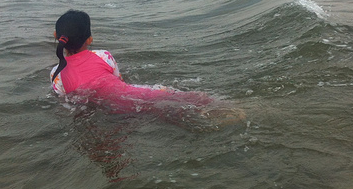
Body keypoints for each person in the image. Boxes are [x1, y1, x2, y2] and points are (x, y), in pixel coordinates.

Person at [50, 10, 245, 125]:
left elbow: (70, 102)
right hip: (133, 97)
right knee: (184, 100)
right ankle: (234, 110)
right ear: (90, 39)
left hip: (110, 112)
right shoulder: (103, 55)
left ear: (56, 36)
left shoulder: (55, 75)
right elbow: (119, 81)